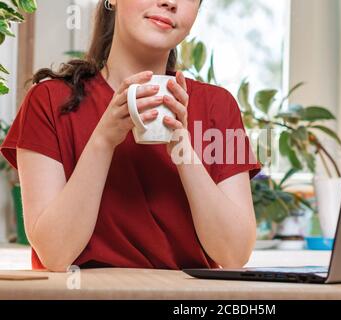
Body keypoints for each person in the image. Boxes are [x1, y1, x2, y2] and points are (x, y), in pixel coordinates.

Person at [0, 0, 261, 272]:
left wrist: (183, 149)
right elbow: (55, 254)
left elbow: (234, 254)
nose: (169, 2)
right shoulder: (49, 102)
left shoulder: (218, 105)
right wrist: (103, 140)